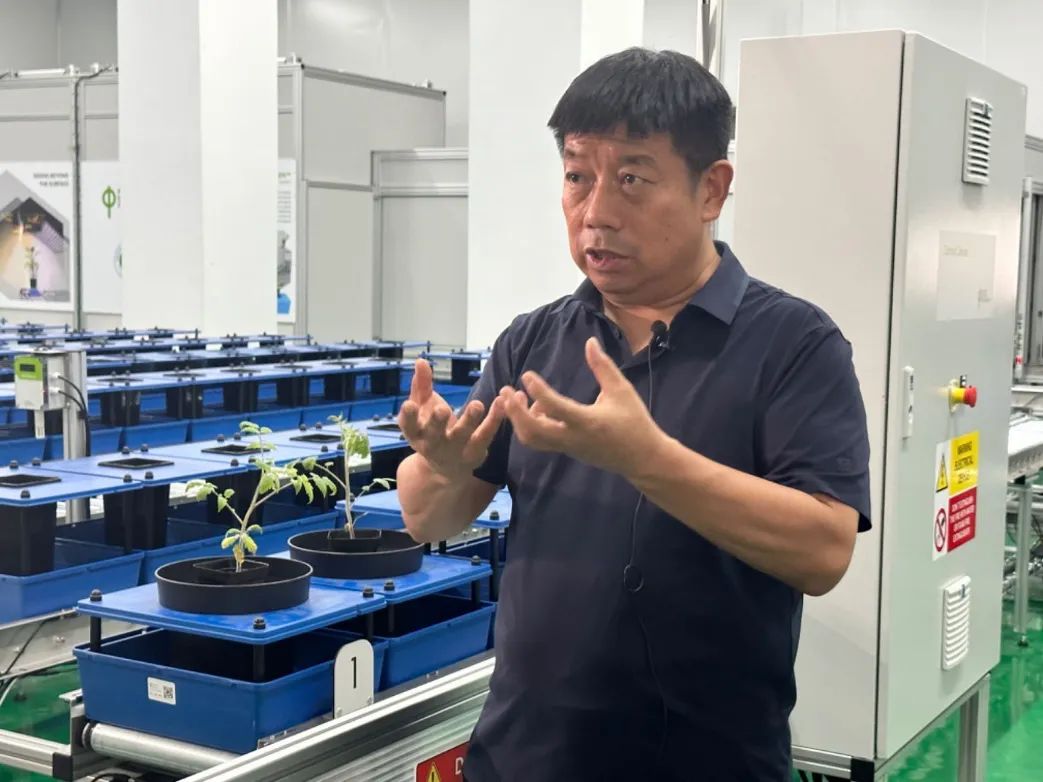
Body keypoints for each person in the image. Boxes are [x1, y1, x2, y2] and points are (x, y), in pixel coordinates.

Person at [396, 48, 871, 782]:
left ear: (711, 189)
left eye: (631, 179)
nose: (595, 213)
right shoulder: (533, 341)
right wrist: (443, 466)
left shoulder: (794, 345)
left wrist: (646, 459)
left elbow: (823, 551)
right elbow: (427, 518)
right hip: (522, 761)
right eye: (576, 176)